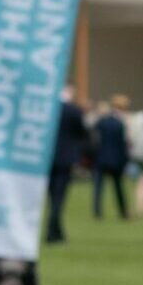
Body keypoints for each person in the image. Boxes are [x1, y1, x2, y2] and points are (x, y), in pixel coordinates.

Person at [45, 86, 87, 244]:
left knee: (52, 196)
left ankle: (57, 230)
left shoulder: (49, 109)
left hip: (49, 158)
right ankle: (53, 230)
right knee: (59, 196)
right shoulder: (73, 111)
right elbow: (81, 132)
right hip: (65, 158)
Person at [93, 95, 131, 220]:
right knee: (118, 187)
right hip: (116, 159)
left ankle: (97, 211)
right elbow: (123, 144)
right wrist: (125, 160)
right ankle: (123, 211)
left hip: (101, 157)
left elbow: (94, 137)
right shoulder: (120, 124)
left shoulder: (103, 121)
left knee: (98, 187)